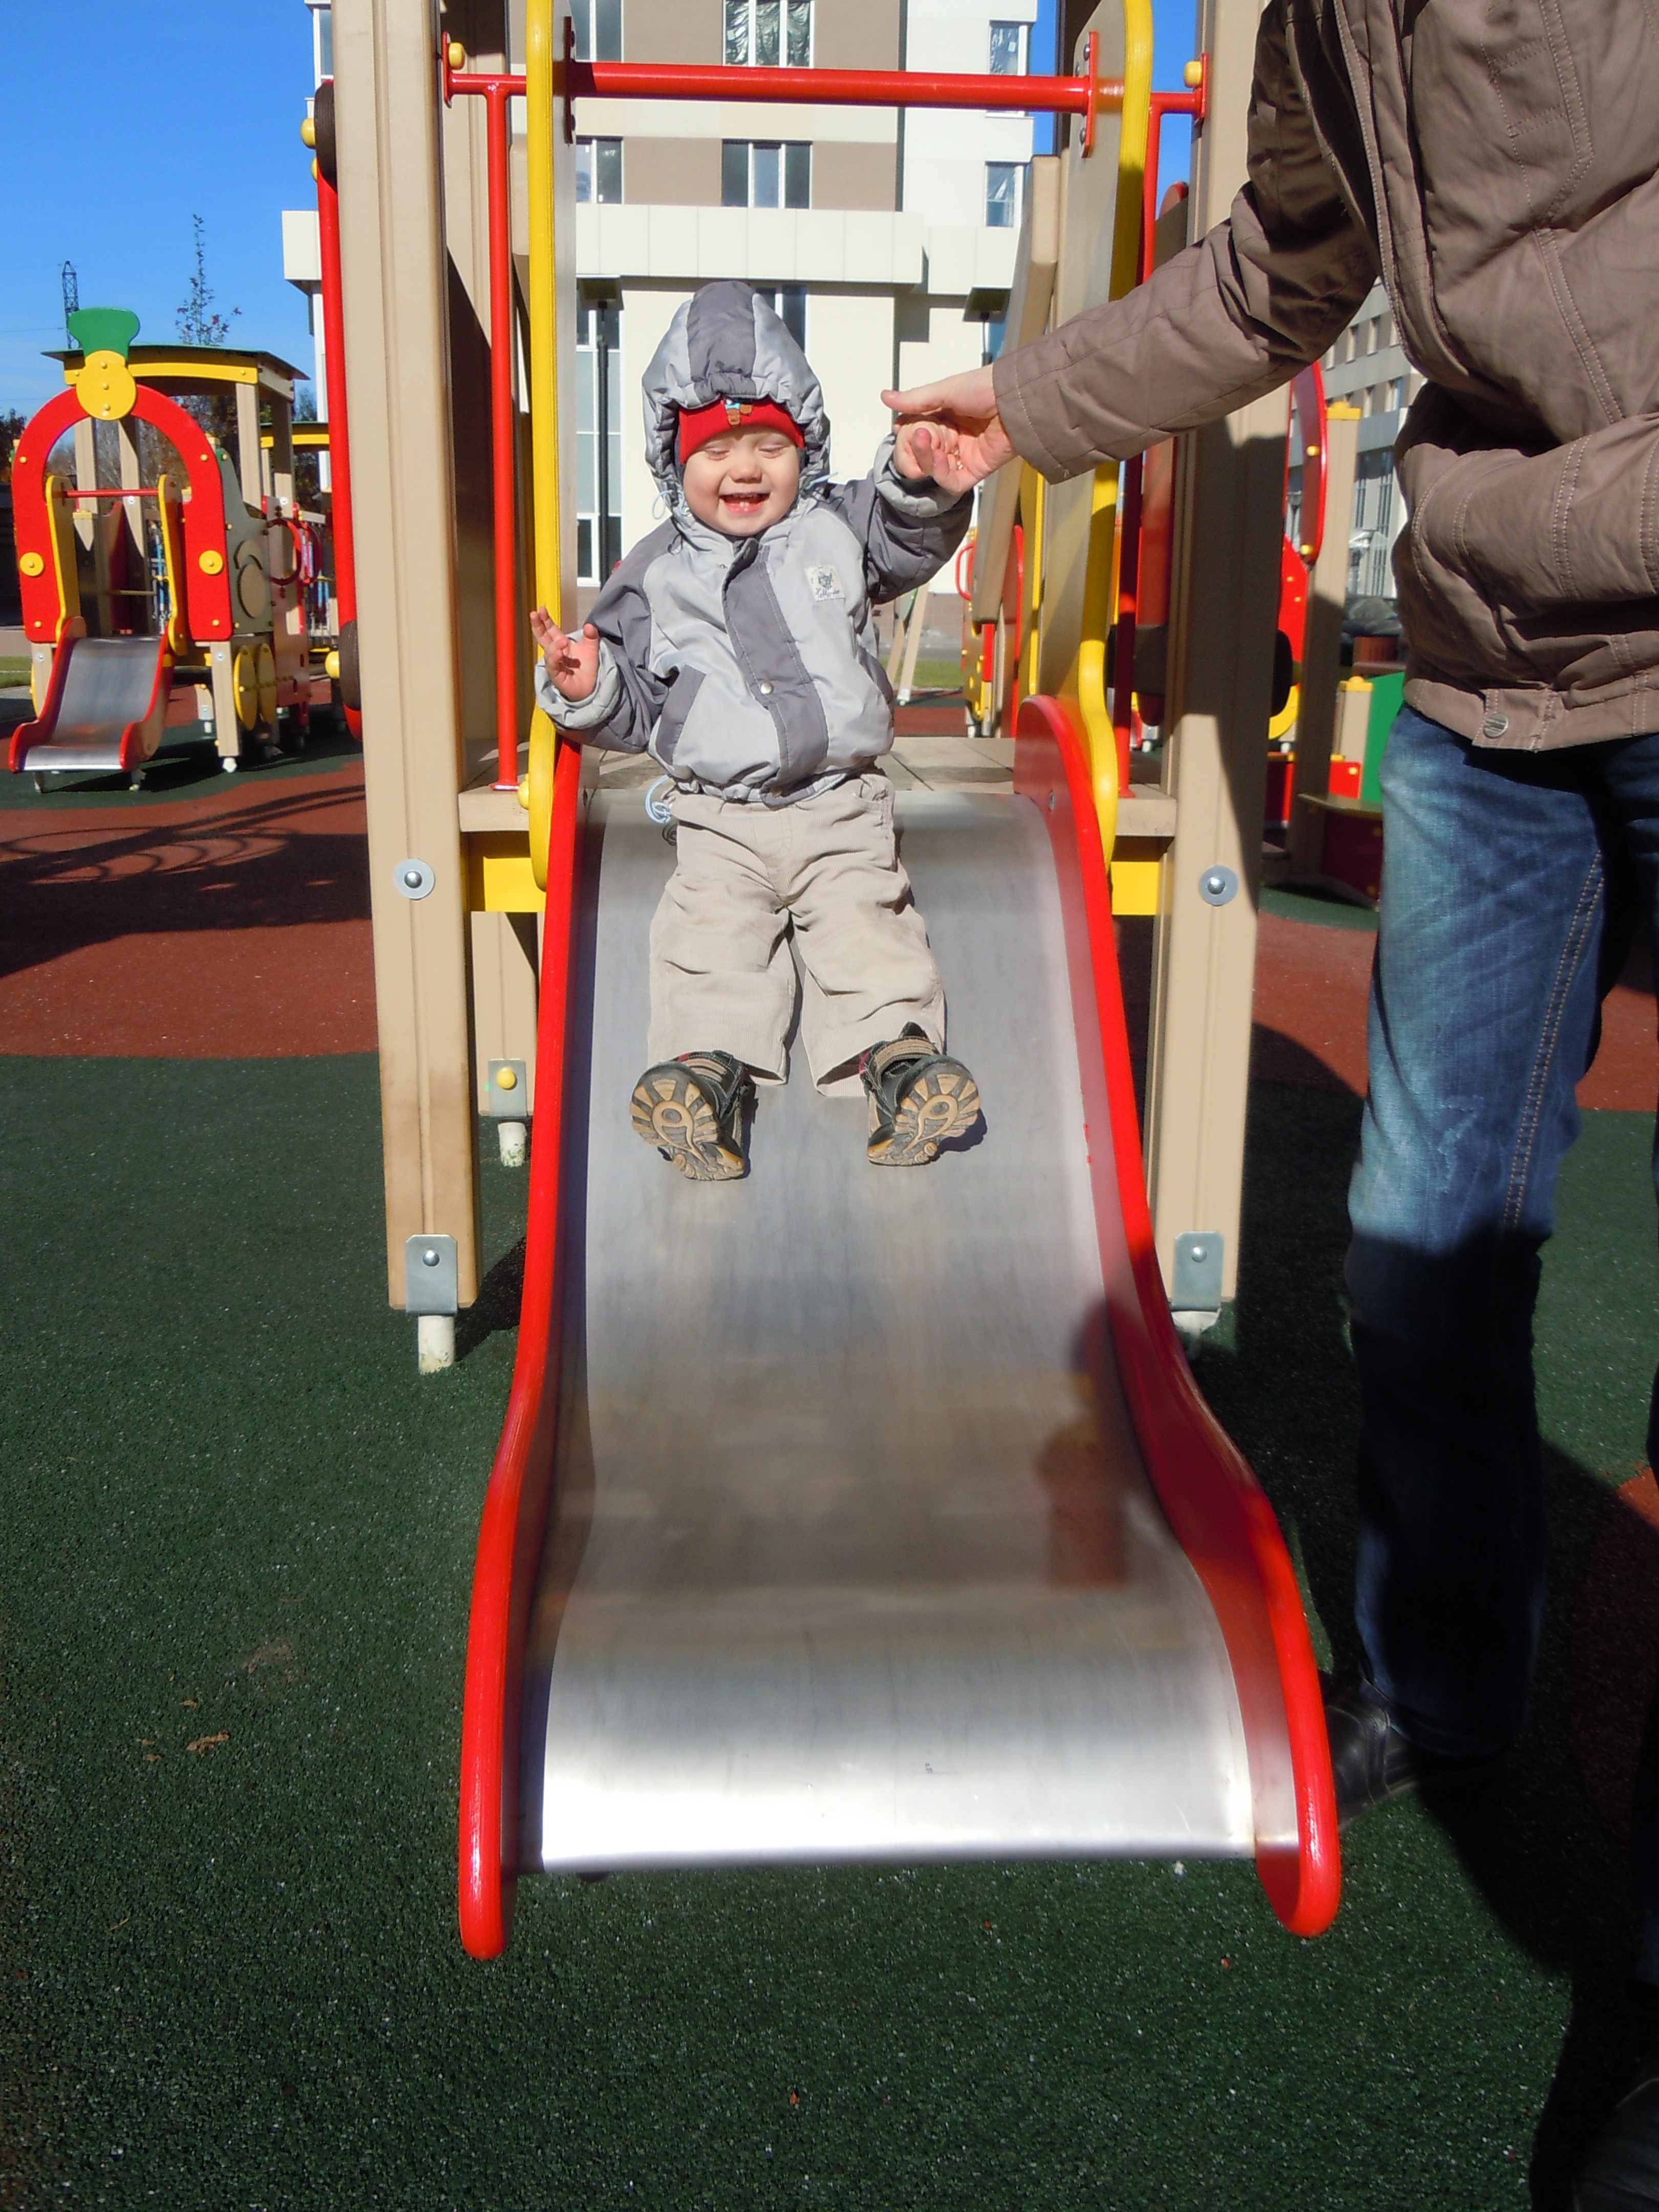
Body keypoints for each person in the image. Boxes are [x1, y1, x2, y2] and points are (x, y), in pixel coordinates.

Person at [884, 4, 1659, 2198]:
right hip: (1495, 672)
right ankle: (1450, 1678)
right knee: (1418, 1246)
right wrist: (1029, 402)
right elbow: (1284, 263)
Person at [532, 280, 982, 1181]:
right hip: (720, 819)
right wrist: (586, 685)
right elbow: (636, 707)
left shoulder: (836, 526)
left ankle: (901, 1068)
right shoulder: (654, 573)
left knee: (870, 929)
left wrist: (918, 480)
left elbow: (907, 537)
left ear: (802, 448)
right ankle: (706, 1083)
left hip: (840, 806)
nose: (745, 469)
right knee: (707, 943)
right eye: (717, 450)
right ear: (675, 461)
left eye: (769, 446)